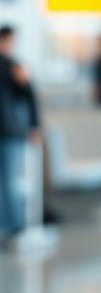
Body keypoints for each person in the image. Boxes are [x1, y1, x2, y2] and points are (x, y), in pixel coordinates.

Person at [0, 25, 41, 244]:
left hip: (10, 131)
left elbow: (28, 95)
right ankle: (7, 226)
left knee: (9, 181)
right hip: (8, 130)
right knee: (5, 182)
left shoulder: (14, 66)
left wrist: (34, 126)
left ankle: (15, 226)